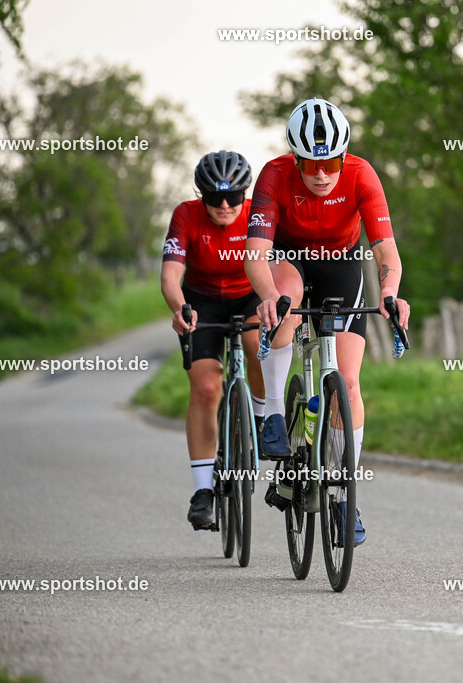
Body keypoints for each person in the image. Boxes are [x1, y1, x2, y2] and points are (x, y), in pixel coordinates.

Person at [245, 98, 410, 546]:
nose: (322, 173)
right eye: (311, 163)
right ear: (295, 159)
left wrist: (391, 294)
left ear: (344, 155)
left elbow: (385, 251)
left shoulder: (361, 175)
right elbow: (255, 254)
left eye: (332, 161)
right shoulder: (274, 176)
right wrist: (266, 297)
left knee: (348, 384)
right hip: (289, 259)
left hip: (340, 263)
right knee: (285, 298)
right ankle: (275, 413)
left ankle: (342, 493)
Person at [161, 150, 266, 530]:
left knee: (257, 347)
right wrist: (180, 307)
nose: (224, 205)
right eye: (214, 198)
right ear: (200, 195)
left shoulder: (259, 214)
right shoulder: (186, 215)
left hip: (249, 295)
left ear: (245, 194)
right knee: (206, 389)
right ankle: (203, 490)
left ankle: (258, 422)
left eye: (234, 197)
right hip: (201, 303)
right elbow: (171, 275)